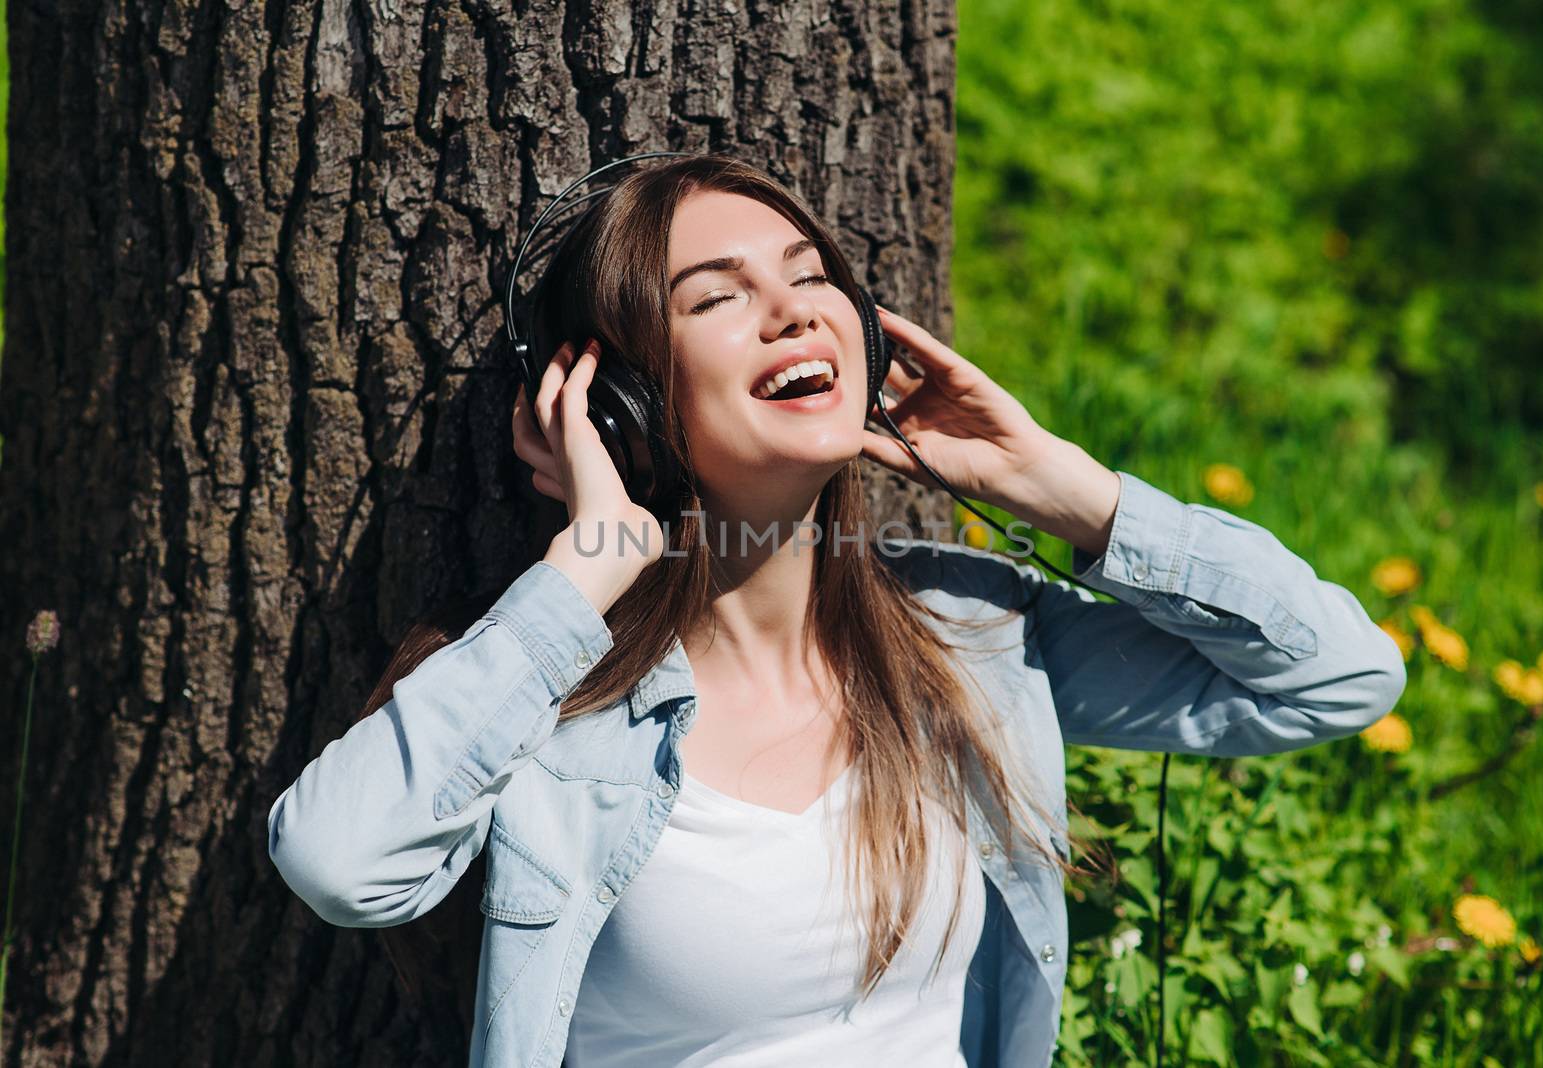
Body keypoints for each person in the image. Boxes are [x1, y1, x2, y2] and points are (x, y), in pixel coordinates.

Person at [265, 154, 1408, 1068]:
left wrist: (1058, 488)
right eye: (716, 297)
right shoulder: (542, 697)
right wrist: (593, 563)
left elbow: (1341, 675)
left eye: (811, 278)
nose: (790, 313)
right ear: (621, 401)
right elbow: (337, 862)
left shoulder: (969, 636)